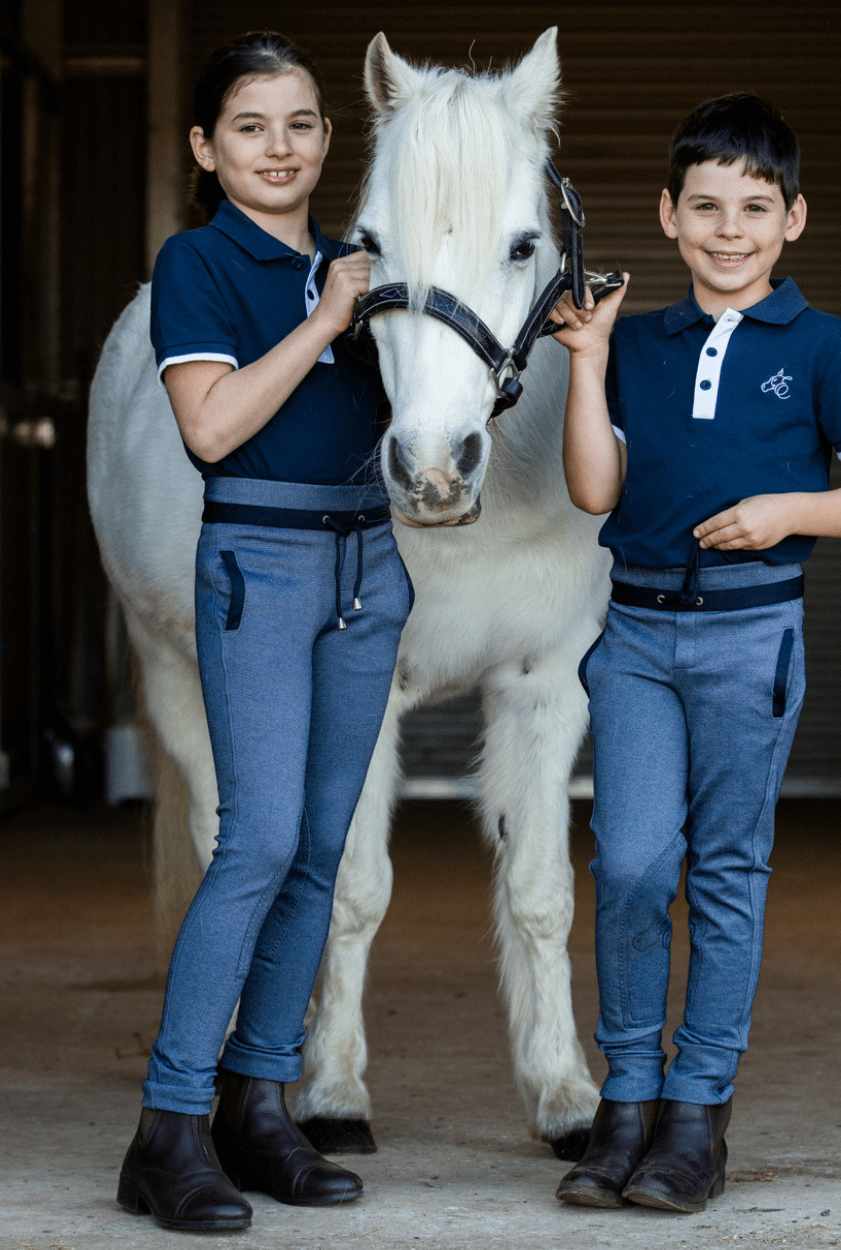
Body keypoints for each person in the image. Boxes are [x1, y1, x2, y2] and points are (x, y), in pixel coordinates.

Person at [548, 94, 841, 1214]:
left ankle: (695, 1115)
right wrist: (587, 360)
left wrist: (782, 511)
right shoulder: (639, 344)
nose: (728, 228)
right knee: (631, 864)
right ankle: (626, 1101)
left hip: (752, 634)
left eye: (754, 206)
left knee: (724, 871)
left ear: (792, 219)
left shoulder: (822, 345)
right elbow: (591, 489)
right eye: (704, 205)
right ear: (666, 215)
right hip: (638, 637)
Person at [116, 32, 413, 1233]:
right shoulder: (198, 263)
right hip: (262, 562)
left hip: (369, 563)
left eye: (300, 124)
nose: (279, 148)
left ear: (329, 139)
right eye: (250, 127)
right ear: (205, 147)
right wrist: (328, 314)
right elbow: (212, 427)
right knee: (256, 839)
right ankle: (167, 1127)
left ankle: (258, 1102)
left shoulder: (363, 260)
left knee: (319, 850)